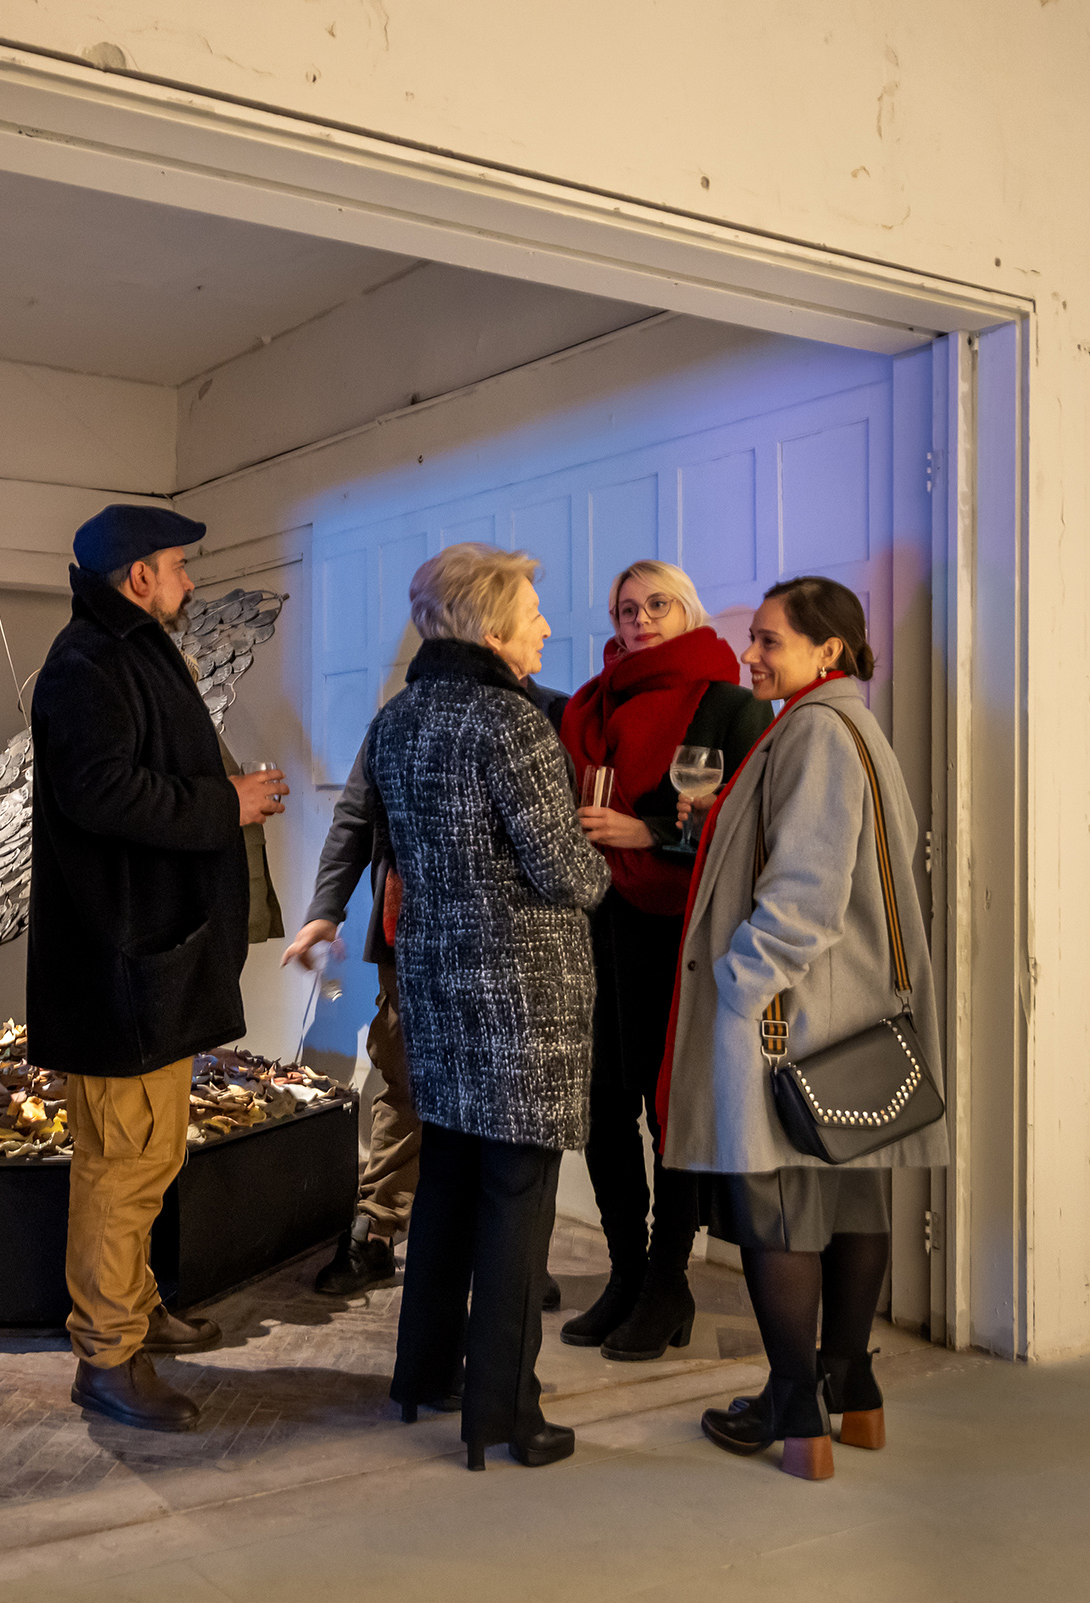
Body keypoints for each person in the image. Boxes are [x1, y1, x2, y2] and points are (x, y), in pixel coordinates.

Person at [662, 575, 948, 1480]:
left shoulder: (815, 730)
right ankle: (851, 1391)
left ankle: (795, 1410)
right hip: (847, 1012)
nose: (749, 654)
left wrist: (738, 984)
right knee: (854, 1198)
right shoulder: (852, 725)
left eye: (769, 639)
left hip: (790, 1015)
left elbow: (805, 891)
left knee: (777, 1209)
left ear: (827, 649)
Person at [28, 504, 290, 1433]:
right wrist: (225, 802)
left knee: (148, 1152)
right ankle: (106, 1355)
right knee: (123, 1164)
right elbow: (99, 792)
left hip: (148, 961)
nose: (188, 580)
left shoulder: (125, 651)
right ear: (138, 576)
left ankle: (134, 1309)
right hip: (120, 968)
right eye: (178, 565)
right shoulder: (88, 662)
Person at [364, 543, 608, 1469]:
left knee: (448, 1185)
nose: (544, 625)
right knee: (515, 1197)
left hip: (438, 982)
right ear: (493, 625)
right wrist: (600, 865)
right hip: (521, 994)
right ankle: (504, 1412)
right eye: (533, 611)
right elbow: (563, 870)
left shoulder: (398, 718)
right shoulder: (511, 722)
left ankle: (422, 1376)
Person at [287, 682, 574, 1315]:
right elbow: (355, 816)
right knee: (408, 1081)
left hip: (514, 949)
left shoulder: (552, 713)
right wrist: (325, 910)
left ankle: (517, 1254)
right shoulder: (401, 718)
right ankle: (376, 1226)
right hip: (412, 939)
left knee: (510, 1100)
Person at [557, 562, 771, 1361]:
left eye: (656, 604)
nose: (639, 619)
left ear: (686, 611)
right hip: (594, 922)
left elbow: (751, 823)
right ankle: (624, 1270)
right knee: (600, 1104)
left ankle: (665, 1279)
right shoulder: (589, 704)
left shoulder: (729, 702)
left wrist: (647, 832)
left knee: (668, 1105)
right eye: (625, 608)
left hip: (679, 929)